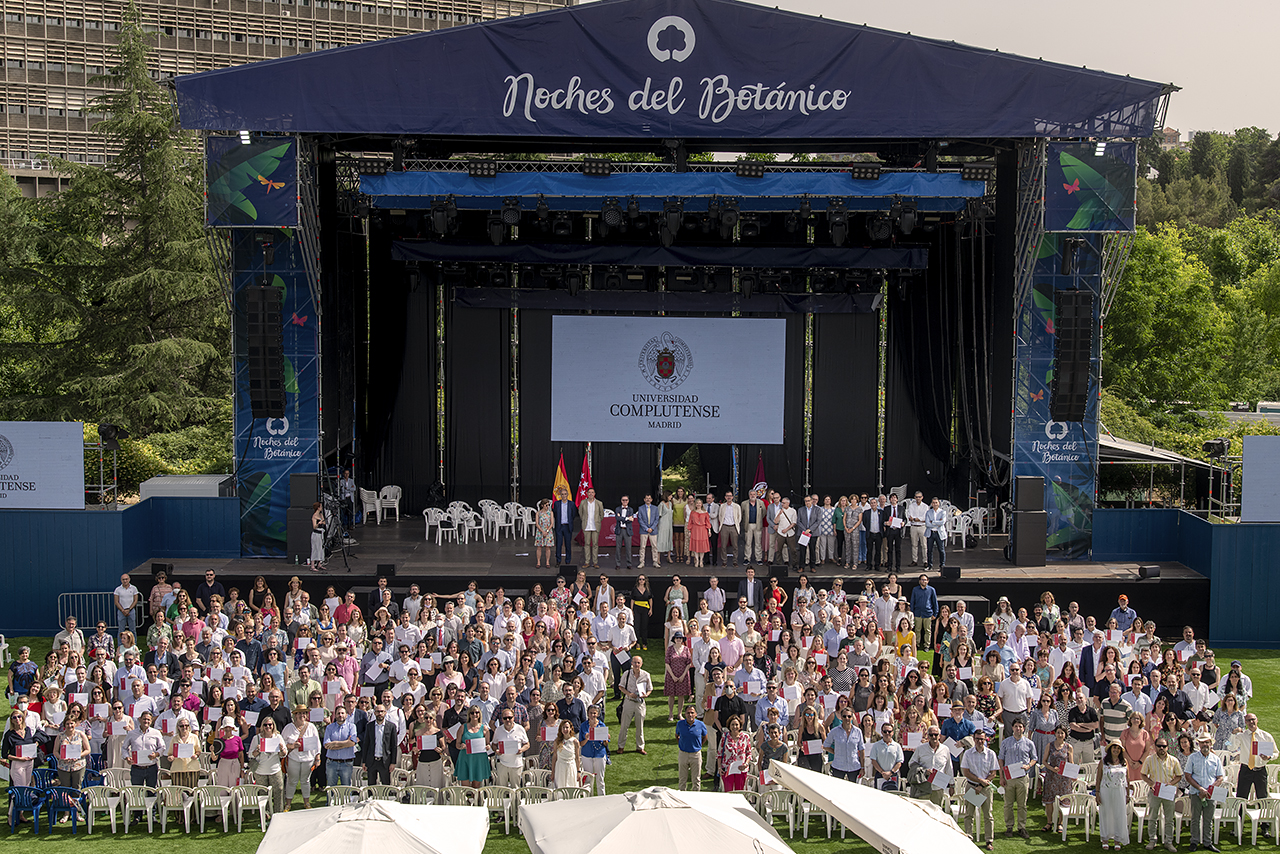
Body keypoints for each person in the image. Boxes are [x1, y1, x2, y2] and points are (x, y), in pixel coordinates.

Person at [960, 730, 1000, 850]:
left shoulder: (991, 754)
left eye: (982, 739)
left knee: (988, 815)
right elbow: (966, 772)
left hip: (986, 788)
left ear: (985, 739)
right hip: (971, 786)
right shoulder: (968, 753)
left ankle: (989, 840)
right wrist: (979, 781)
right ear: (973, 739)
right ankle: (969, 837)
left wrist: (982, 785)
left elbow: (993, 773)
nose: (979, 741)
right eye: (977, 739)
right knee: (969, 814)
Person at [1141, 735, 1182, 851]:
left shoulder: (1174, 760)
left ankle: (1168, 842)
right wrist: (1151, 783)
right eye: (1159, 746)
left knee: (1169, 818)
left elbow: (1179, 776)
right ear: (1155, 747)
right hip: (1154, 792)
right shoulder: (1149, 759)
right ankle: (1152, 840)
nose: (1161, 748)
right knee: (1153, 817)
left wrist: (1171, 783)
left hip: (1168, 792)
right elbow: (1143, 774)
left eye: (1164, 746)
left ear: (1167, 747)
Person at [997, 719, 1036, 839]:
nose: (1018, 728)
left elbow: (1034, 758)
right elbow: (1000, 759)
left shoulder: (1029, 743)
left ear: (1023, 728)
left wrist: (1028, 765)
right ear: (1012, 728)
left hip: (1023, 777)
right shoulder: (1006, 742)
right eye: (1015, 726)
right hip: (1009, 778)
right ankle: (1009, 826)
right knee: (1008, 804)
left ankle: (1021, 827)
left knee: (1022, 804)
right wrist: (1001, 777)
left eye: (1020, 726)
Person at [283, 706, 321, 808]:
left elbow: (317, 743)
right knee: (292, 781)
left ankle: (306, 802)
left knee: (305, 781)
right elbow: (282, 743)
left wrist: (317, 757)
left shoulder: (311, 727)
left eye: (304, 713)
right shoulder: (288, 728)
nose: (302, 715)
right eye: (299, 713)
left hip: (308, 758)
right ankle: (288, 804)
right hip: (293, 758)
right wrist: (292, 746)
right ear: (295, 715)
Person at [1096, 739, 1131, 850]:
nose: (1116, 750)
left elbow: (1128, 779)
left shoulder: (1124, 762)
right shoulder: (1103, 762)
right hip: (1105, 790)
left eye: (1118, 748)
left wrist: (1128, 794)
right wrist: (1097, 793)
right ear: (1110, 749)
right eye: (1114, 747)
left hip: (1119, 790)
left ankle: (1117, 838)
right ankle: (1105, 838)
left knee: (1119, 814)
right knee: (1106, 813)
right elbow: (1098, 778)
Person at [1041, 727, 1074, 833]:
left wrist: (1071, 771)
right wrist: (1051, 769)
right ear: (1055, 734)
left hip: (1064, 778)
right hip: (1051, 776)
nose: (1060, 735)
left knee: (1063, 801)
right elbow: (1044, 761)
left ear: (1065, 735)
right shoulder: (1049, 746)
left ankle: (1060, 823)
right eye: (1058, 733)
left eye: (1062, 733)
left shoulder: (1069, 747)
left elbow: (1071, 762)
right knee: (1049, 800)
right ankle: (1049, 822)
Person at [617, 655, 652, 755]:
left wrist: (646, 695)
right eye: (635, 662)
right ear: (631, 663)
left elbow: (650, 689)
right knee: (624, 725)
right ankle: (621, 746)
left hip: (640, 703)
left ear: (641, 664)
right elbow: (621, 686)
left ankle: (640, 747)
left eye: (638, 663)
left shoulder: (646, 675)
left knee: (639, 726)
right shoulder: (627, 674)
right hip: (629, 701)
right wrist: (629, 694)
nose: (636, 665)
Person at [361, 703, 399, 786]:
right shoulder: (369, 726)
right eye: (378, 712)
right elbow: (366, 744)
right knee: (371, 785)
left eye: (382, 711)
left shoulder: (391, 726)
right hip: (372, 760)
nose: (380, 714)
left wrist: (393, 762)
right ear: (374, 713)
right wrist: (364, 761)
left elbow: (393, 746)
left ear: (385, 713)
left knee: (386, 785)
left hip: (385, 761)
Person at [823, 705, 864, 781]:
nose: (847, 718)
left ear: (852, 717)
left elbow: (861, 749)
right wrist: (835, 752)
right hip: (838, 766)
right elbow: (825, 746)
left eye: (849, 716)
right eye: (844, 716)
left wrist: (862, 767)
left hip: (854, 766)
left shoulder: (858, 731)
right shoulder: (834, 731)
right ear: (841, 717)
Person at [453, 705, 490, 788]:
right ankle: (466, 801)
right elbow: (457, 744)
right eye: (472, 713)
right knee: (465, 787)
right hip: (465, 758)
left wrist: (488, 747)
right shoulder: (463, 727)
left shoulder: (484, 728)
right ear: (469, 715)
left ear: (479, 714)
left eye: (477, 712)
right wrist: (461, 746)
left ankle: (475, 801)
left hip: (479, 759)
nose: (474, 714)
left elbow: (488, 744)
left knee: (476, 787)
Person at [492, 708, 529, 788]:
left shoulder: (520, 729)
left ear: (514, 718)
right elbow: (494, 745)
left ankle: (515, 801)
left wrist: (521, 750)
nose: (507, 720)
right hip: (502, 763)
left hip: (516, 764)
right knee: (502, 789)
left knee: (515, 789)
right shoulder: (498, 730)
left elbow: (527, 744)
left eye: (510, 717)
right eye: (505, 718)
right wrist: (496, 750)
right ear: (502, 719)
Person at [675, 704, 707, 790]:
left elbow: (705, 737)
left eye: (692, 713)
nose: (690, 715)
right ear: (685, 714)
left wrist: (699, 745)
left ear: (696, 714)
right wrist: (681, 745)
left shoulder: (700, 724)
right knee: (682, 779)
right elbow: (677, 735)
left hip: (696, 754)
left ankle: (695, 799)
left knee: (696, 779)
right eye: (688, 713)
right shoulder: (680, 724)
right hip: (683, 754)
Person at [578, 704, 609, 795]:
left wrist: (605, 739)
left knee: (600, 778)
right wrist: (586, 738)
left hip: (599, 754)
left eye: (594, 713)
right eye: (591, 713)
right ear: (588, 714)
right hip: (587, 754)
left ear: (598, 714)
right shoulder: (583, 726)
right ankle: (589, 797)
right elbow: (581, 744)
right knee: (588, 778)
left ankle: (602, 798)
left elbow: (605, 743)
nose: (592, 715)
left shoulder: (601, 725)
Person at [665, 631, 692, 721]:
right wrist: (673, 676)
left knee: (681, 695)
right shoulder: (670, 649)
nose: (678, 640)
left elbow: (688, 663)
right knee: (671, 695)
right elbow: (667, 663)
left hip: (683, 675)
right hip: (671, 675)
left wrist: (683, 675)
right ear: (674, 639)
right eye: (677, 638)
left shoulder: (686, 649)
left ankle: (679, 714)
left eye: (680, 638)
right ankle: (671, 714)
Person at [551, 718, 582, 789]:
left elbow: (577, 757)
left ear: (571, 728)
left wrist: (578, 771)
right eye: (563, 728)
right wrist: (553, 772)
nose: (565, 729)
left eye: (567, 727)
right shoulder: (557, 741)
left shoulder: (575, 741)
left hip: (571, 766)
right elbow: (555, 756)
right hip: (560, 766)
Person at [551, 487, 578, 567]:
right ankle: (558, 561)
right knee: (558, 544)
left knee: (568, 544)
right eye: (562, 494)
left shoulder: (571, 504)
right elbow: (555, 514)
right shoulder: (557, 504)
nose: (564, 496)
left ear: (567, 495)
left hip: (567, 526)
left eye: (565, 494)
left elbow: (573, 515)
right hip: (559, 526)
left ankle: (568, 560)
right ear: (560, 495)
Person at [579, 488, 604, 569]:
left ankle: (595, 562)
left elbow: (601, 514)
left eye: (592, 492)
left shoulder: (599, 503)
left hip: (595, 526)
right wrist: (584, 520)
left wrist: (597, 521)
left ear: (594, 493)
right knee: (586, 544)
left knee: (595, 545)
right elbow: (580, 513)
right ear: (587, 493)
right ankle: (587, 562)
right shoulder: (583, 503)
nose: (591, 494)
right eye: (589, 492)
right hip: (586, 526)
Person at [740, 490, 766, 567]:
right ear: (749, 495)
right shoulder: (744, 504)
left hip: (757, 525)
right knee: (748, 543)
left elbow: (763, 513)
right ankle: (747, 558)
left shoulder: (761, 503)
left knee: (758, 543)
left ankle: (759, 559)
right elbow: (742, 514)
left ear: (756, 495)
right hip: (748, 525)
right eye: (751, 494)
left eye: (754, 494)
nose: (752, 495)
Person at [115, 574, 141, 640]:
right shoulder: (118, 589)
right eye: (123, 579)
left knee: (132, 630)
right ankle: (120, 646)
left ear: (129, 579)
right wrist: (123, 610)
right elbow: (116, 602)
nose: (125, 581)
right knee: (121, 630)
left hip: (131, 611)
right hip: (121, 611)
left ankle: (134, 645)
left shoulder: (134, 588)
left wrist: (129, 609)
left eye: (126, 579)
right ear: (121, 580)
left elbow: (135, 600)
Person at [614, 495, 636, 569]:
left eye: (626, 500)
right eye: (623, 500)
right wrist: (626, 518)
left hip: (627, 530)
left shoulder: (630, 509)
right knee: (618, 548)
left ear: (628, 501)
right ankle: (618, 564)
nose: (625, 501)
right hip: (619, 530)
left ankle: (629, 564)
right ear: (621, 501)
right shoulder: (617, 509)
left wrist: (622, 518)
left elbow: (631, 520)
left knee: (628, 548)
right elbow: (617, 518)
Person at [924, 499, 947, 569]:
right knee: (929, 550)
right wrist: (937, 523)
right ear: (931, 504)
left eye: (936, 502)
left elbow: (942, 522)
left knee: (941, 550)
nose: (935, 504)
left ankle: (942, 565)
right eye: (933, 503)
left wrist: (932, 522)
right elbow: (927, 524)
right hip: (930, 533)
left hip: (939, 533)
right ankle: (929, 565)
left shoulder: (943, 512)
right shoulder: (928, 512)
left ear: (939, 503)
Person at [688, 500, 711, 568]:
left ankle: (701, 560)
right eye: (697, 503)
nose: (698, 504)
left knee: (702, 545)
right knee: (695, 545)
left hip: (703, 529)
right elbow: (690, 522)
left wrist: (709, 530)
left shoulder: (705, 512)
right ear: (695, 504)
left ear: (701, 504)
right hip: (695, 529)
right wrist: (689, 530)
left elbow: (707, 522)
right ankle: (697, 560)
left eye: (699, 503)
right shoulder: (692, 512)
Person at [534, 499, 555, 568]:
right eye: (546, 505)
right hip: (540, 531)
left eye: (548, 505)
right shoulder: (538, 513)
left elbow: (552, 523)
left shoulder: (550, 513)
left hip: (548, 531)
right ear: (542, 505)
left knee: (547, 547)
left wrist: (547, 531)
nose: (547, 506)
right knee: (539, 547)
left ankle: (547, 562)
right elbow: (537, 523)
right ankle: (538, 562)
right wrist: (542, 531)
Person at [656, 492, 674, 564]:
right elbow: (658, 515)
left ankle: (669, 556)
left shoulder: (670, 503)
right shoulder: (661, 504)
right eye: (670, 496)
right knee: (660, 539)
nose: (671, 497)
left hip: (669, 524)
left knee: (669, 539)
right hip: (663, 524)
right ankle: (658, 558)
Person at [309, 501, 327, 571]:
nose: (322, 508)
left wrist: (322, 521)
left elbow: (324, 522)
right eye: (321, 507)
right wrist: (319, 523)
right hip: (316, 534)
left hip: (321, 534)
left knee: (320, 548)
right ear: (318, 508)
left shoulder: (321, 515)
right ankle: (312, 565)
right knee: (315, 549)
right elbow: (314, 526)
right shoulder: (314, 516)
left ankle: (319, 563)